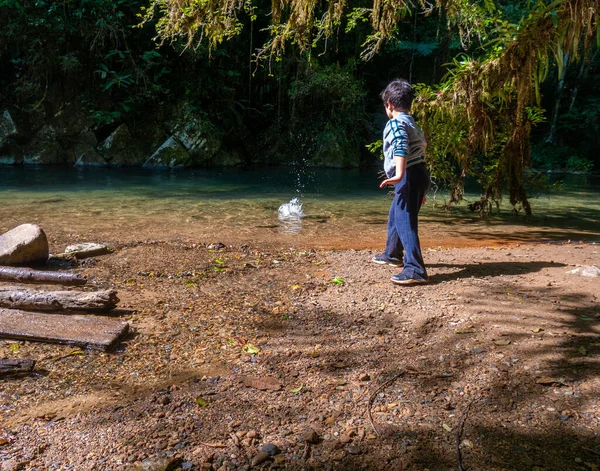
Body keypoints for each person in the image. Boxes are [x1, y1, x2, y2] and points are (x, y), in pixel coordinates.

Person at [372, 78, 430, 285]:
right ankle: (392, 254)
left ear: (389, 104)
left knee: (406, 223)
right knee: (396, 215)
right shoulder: (412, 122)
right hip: (419, 173)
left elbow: (400, 144)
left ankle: (415, 269)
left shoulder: (396, 122)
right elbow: (420, 148)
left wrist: (398, 174)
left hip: (409, 174)